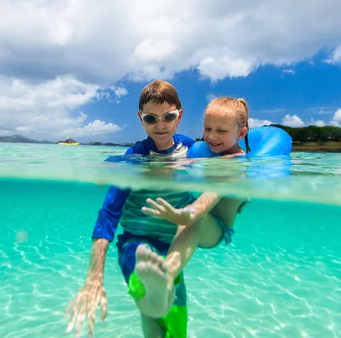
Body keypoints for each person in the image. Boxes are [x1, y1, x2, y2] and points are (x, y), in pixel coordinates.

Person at [65, 80, 219, 338]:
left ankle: (160, 287)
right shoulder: (133, 158)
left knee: (176, 328)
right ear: (141, 119)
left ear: (179, 115)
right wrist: (93, 279)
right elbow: (108, 215)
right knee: (154, 301)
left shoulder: (193, 151)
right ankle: (157, 288)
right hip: (135, 245)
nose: (160, 125)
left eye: (168, 117)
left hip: (173, 249)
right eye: (151, 118)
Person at [136, 97, 252, 320]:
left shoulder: (236, 161)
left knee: (195, 219)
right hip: (196, 219)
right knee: (192, 220)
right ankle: (161, 289)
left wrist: (187, 213)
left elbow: (212, 194)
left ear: (241, 133)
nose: (211, 136)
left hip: (217, 228)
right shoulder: (205, 152)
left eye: (221, 130)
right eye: (207, 128)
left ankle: (166, 275)